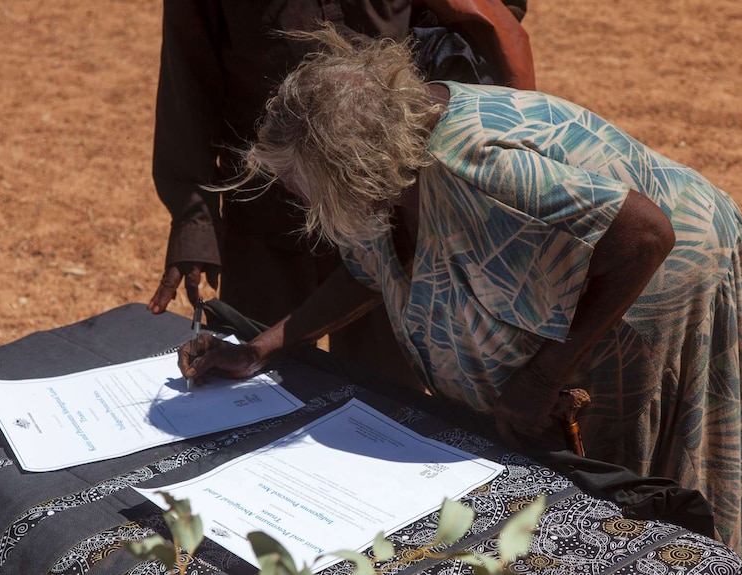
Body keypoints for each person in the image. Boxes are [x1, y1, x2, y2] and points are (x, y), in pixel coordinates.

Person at [177, 26, 742, 573]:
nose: (301, 198)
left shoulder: (473, 166)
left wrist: (542, 375)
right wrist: (261, 347)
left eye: (301, 182)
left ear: (351, 168)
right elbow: (377, 269)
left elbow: (647, 235)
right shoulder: (390, 167)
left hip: (668, 282)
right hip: (601, 271)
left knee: (640, 490)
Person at [146, 0, 535, 391]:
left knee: (386, 393)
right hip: (265, 200)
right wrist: (194, 218)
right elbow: (188, 69)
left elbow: (498, 12)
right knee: (248, 389)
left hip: (387, 197)